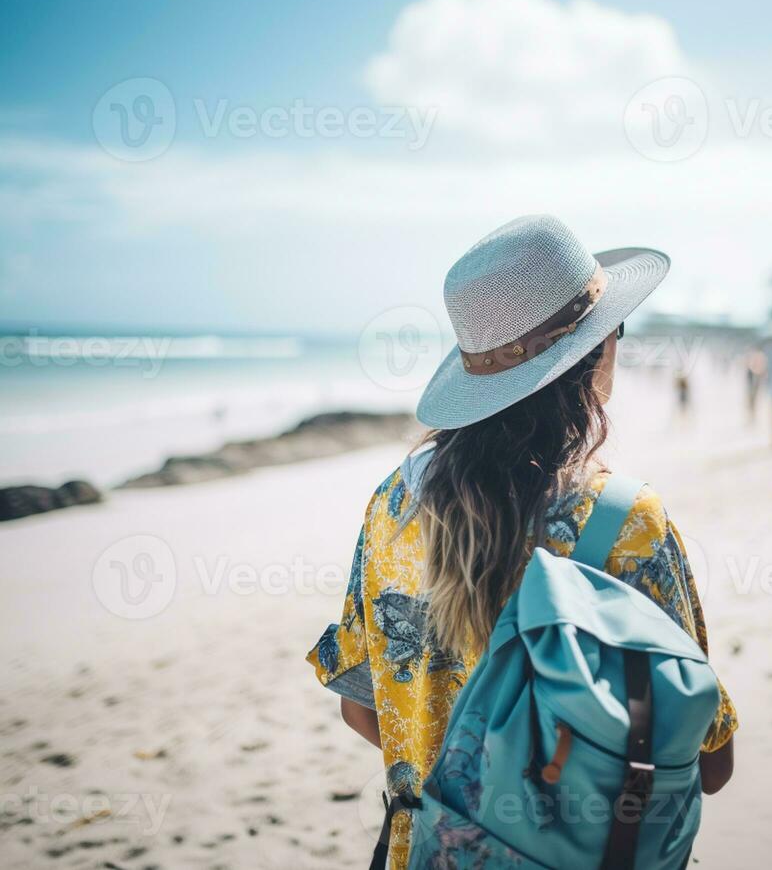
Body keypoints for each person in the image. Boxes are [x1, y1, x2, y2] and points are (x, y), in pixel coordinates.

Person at [306, 216, 737, 869]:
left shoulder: (391, 506)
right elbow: (709, 759)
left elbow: (362, 711)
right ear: (592, 352)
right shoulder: (625, 521)